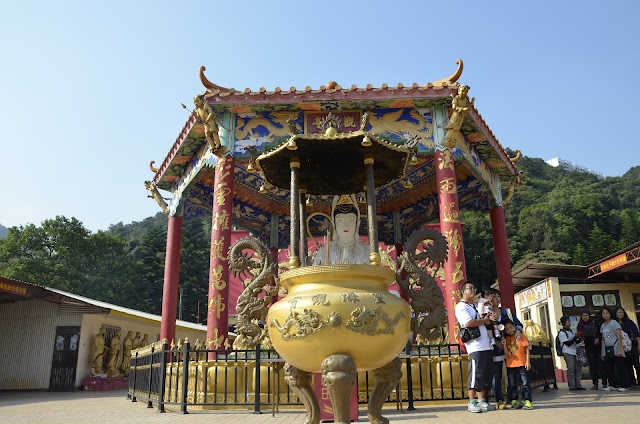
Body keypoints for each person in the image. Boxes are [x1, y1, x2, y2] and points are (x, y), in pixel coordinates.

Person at [455, 281, 497, 413]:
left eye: (474, 288)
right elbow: (468, 323)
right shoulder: (461, 307)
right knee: (475, 374)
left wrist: (491, 317)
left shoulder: (475, 305)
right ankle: (472, 402)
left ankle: (481, 401)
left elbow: (486, 318)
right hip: (475, 345)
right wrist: (485, 320)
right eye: (469, 288)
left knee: (485, 374)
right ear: (463, 291)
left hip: (486, 345)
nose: (472, 290)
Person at [490, 288, 524, 409]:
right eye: (494, 296)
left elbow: (518, 323)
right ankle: (499, 399)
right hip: (496, 348)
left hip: (511, 349)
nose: (497, 299)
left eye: (499, 296)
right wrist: (495, 341)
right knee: (497, 375)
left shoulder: (506, 311)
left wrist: (518, 331)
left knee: (512, 375)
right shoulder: (486, 313)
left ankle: (513, 398)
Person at [313, 195, 369, 265]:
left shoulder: (366, 251)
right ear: (334, 224)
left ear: (357, 223)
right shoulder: (324, 251)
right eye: (340, 221)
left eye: (351, 220)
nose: (345, 225)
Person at [503, 319, 532, 410]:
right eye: (507, 329)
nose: (510, 330)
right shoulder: (506, 339)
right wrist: (504, 345)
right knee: (512, 384)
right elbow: (506, 354)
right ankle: (514, 400)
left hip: (522, 363)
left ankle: (528, 400)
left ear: (514, 326)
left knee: (525, 383)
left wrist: (528, 361)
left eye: (511, 327)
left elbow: (526, 349)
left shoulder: (520, 336)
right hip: (510, 365)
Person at [600, 307, 627, 391]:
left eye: (607, 313)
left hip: (616, 348)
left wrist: (619, 350)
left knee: (619, 367)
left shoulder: (614, 323)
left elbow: (619, 337)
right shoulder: (603, 325)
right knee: (609, 367)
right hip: (608, 350)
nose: (605, 315)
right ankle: (612, 384)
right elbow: (603, 339)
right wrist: (603, 352)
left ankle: (623, 385)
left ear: (610, 314)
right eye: (603, 313)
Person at [577, 311, 603, 390]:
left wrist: (598, 338)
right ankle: (595, 383)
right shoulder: (580, 326)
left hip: (597, 347)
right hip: (588, 347)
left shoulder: (594, 324)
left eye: (586, 315)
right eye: (583, 315)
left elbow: (600, 333)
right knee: (592, 366)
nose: (585, 317)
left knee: (601, 365)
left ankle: (605, 382)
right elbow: (579, 337)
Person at [615, 307, 640, 387]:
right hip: (622, 347)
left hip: (632, 345)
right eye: (619, 312)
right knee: (627, 366)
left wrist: (639, 344)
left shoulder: (629, 322)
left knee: (637, 364)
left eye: (622, 312)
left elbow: (637, 334)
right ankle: (632, 383)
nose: (620, 314)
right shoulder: (614, 324)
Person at [558, 316, 585, 390]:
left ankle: (578, 384)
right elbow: (568, 343)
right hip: (567, 352)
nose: (569, 323)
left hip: (574, 351)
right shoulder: (562, 333)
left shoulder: (570, 331)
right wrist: (575, 337)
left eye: (569, 321)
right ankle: (572, 386)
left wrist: (580, 339)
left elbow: (574, 342)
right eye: (568, 321)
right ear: (564, 323)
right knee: (571, 368)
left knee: (578, 368)